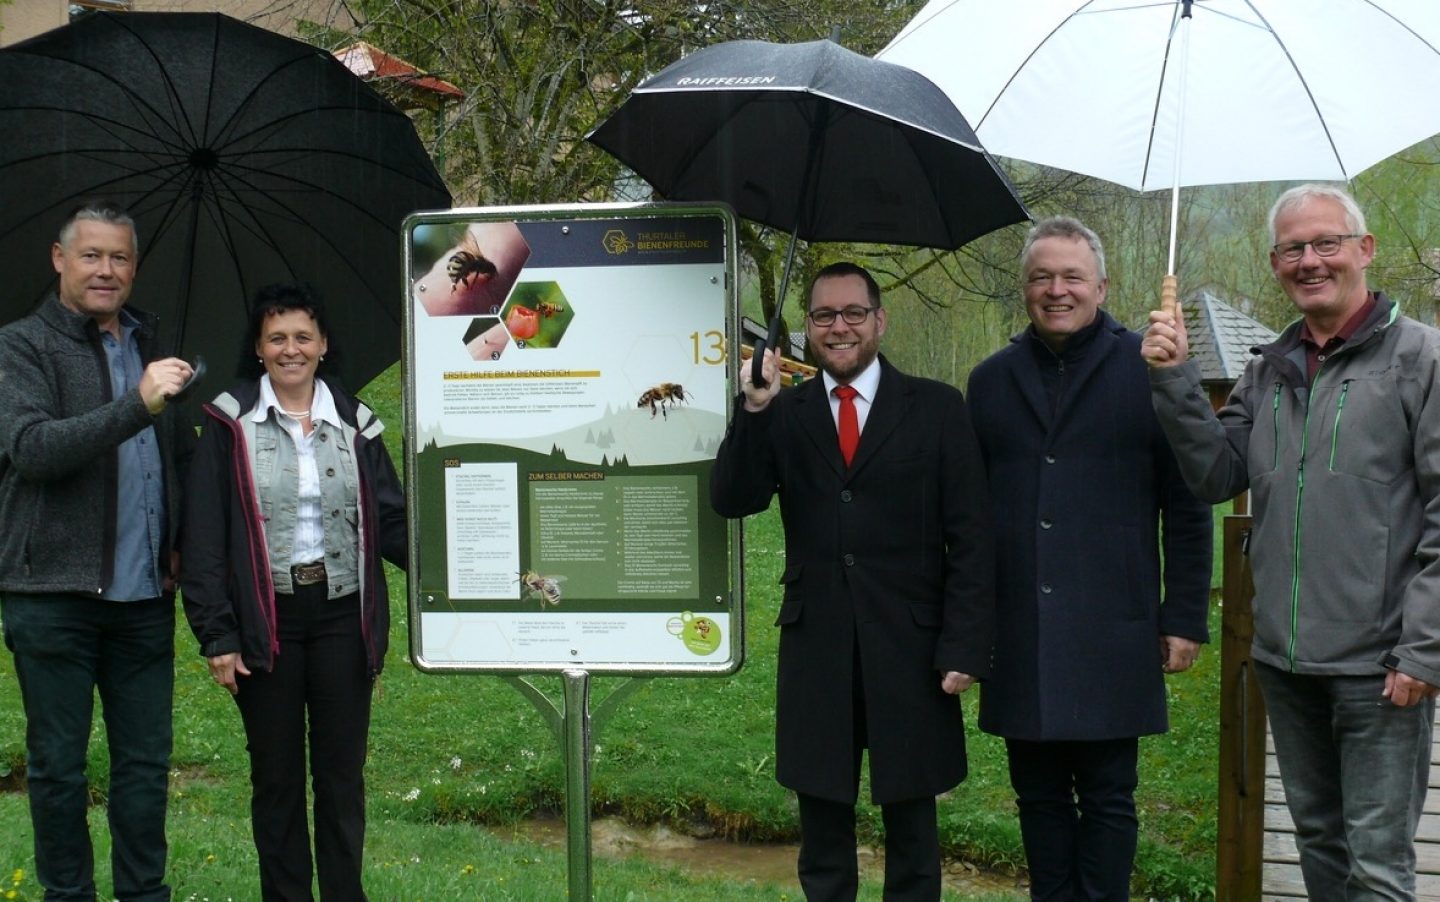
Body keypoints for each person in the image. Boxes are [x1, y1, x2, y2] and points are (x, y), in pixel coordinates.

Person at [1143, 183, 1440, 899]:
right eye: (1292, 249)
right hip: (1285, 656)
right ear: (1276, 263)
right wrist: (1176, 378)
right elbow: (1217, 473)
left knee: (1377, 866)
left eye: (1326, 243)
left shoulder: (1421, 360)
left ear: (1364, 251)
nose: (1310, 260)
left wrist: (1425, 647)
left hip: (1382, 666)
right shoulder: (1268, 368)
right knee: (1317, 845)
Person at [710, 261, 995, 901]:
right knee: (824, 837)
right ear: (807, 329)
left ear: (879, 321)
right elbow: (733, 498)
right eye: (823, 316)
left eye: (853, 314)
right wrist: (753, 410)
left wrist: (967, 644)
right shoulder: (784, 412)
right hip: (819, 646)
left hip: (913, 650)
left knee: (914, 836)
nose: (839, 328)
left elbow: (972, 539)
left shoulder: (938, 410)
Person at [967, 217, 1212, 900]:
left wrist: (1185, 616)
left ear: (1101, 285)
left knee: (1109, 797)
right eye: (1042, 277)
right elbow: (968, 518)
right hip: (1020, 626)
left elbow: (1190, 504)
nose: (1056, 290)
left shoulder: (1149, 370)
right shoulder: (990, 382)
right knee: (1037, 797)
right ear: (1024, 289)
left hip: (1114, 623)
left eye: (1072, 276)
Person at [180, 283, 406, 900]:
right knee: (276, 781)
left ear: (323, 344)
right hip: (266, 621)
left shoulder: (356, 422)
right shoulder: (228, 422)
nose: (290, 350)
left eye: (303, 336)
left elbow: (389, 520)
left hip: (341, 618)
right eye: (276, 338)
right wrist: (217, 635)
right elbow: (203, 535)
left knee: (340, 779)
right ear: (258, 347)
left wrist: (461, 566)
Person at [0, 201, 195, 901]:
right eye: (91, 256)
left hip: (143, 599)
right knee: (58, 767)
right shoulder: (20, 347)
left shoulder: (153, 348)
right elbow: (33, 450)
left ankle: (145, 894)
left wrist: (178, 540)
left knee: (145, 766)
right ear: (60, 260)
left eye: (119, 258)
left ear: (134, 267)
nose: (106, 270)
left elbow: (175, 458)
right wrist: (134, 406)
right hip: (52, 596)